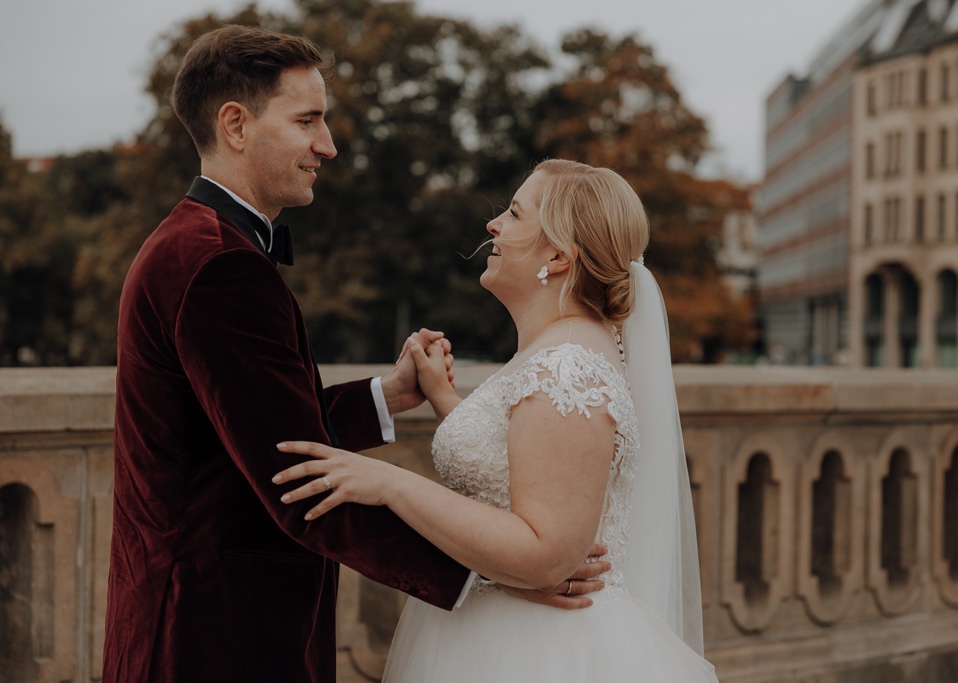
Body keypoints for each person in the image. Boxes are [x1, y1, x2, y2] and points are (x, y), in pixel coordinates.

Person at [103, 27, 603, 683]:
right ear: (235, 124)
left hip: (197, 614)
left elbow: (253, 422)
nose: (328, 145)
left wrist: (389, 395)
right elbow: (296, 476)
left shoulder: (198, 244)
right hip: (210, 632)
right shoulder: (220, 264)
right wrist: (488, 573)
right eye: (308, 120)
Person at [274, 159, 720, 682]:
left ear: (557, 256)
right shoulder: (561, 350)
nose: (494, 226)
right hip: (497, 629)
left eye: (513, 213)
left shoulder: (567, 366)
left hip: (538, 651)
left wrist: (390, 483)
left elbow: (544, 556)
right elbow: (522, 468)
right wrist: (442, 397)